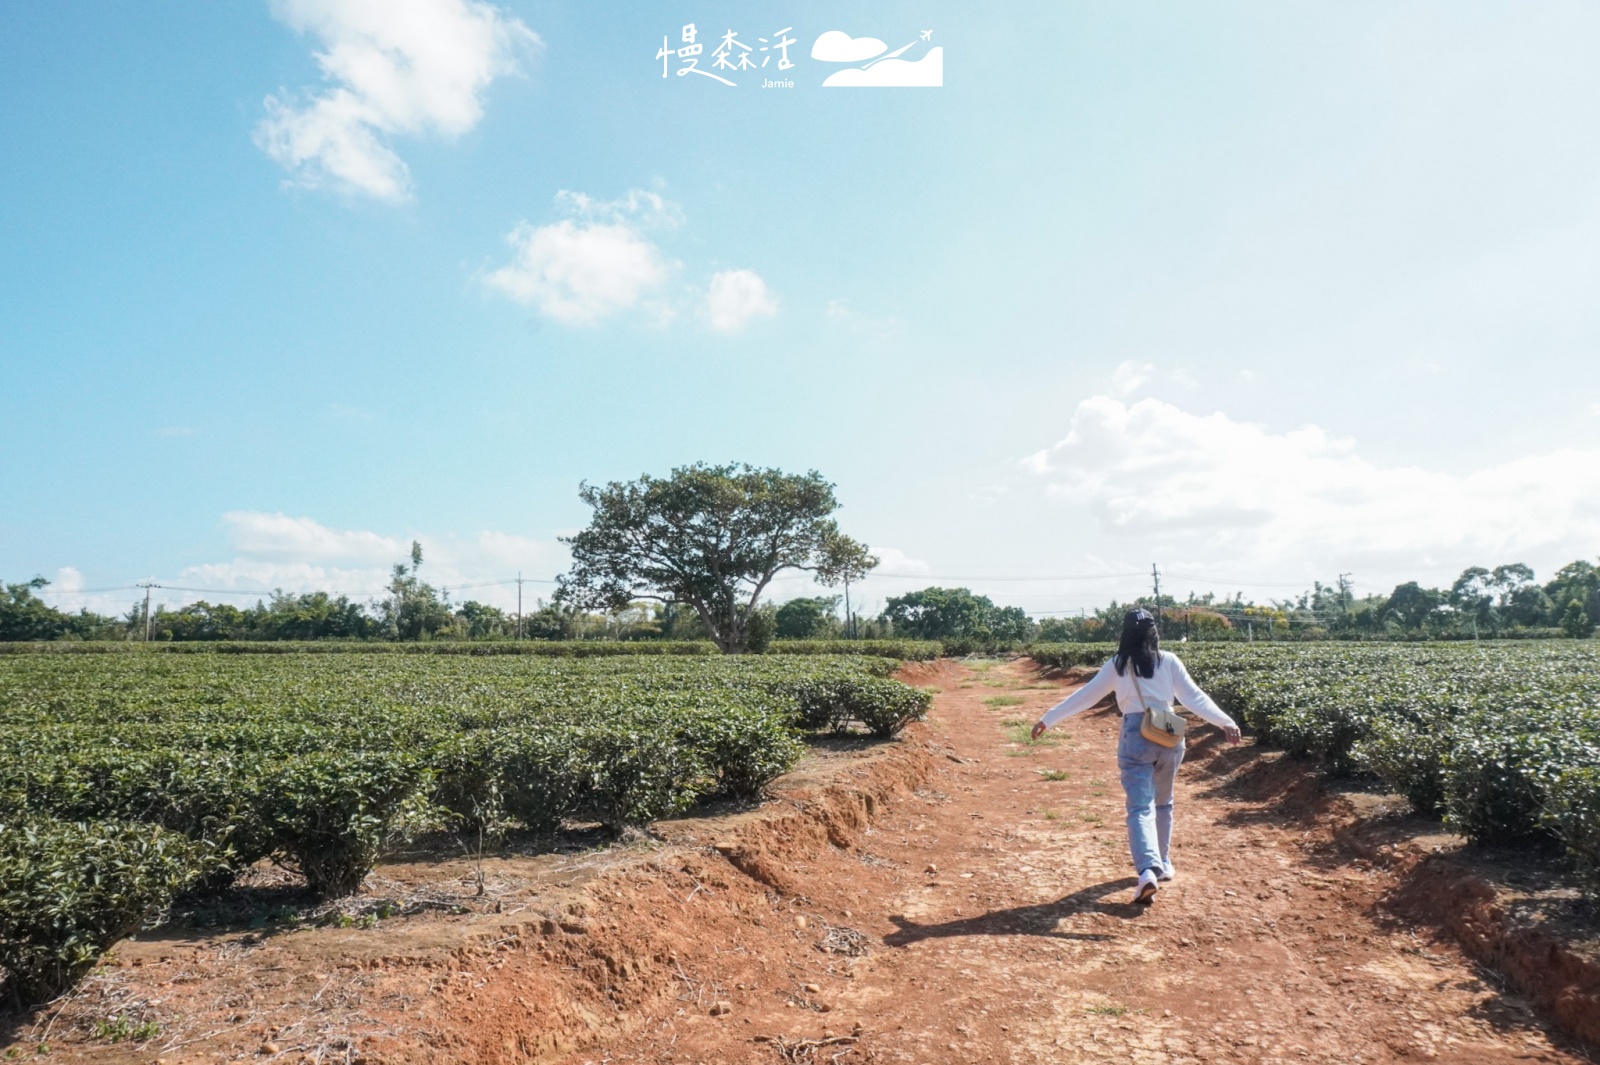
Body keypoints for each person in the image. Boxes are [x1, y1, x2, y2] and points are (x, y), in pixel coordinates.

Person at [1030, 608, 1240, 904]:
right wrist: (1225, 721)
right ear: (1155, 633)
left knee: (1140, 807)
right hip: (1168, 730)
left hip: (1135, 733)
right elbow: (1194, 697)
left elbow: (1086, 696)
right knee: (1163, 803)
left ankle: (1147, 872)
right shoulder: (1168, 661)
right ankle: (1163, 863)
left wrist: (1048, 719)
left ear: (1125, 634)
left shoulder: (1118, 664)